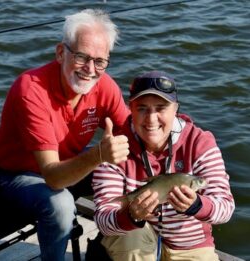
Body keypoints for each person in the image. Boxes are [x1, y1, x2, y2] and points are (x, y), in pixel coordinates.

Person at [0, 9, 130, 261]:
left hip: (66, 164)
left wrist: (170, 128)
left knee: (130, 164)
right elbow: (53, 178)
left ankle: (113, 244)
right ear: (61, 52)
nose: (90, 69)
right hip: (14, 177)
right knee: (61, 204)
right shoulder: (30, 89)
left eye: (100, 61)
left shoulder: (104, 84)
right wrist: (99, 154)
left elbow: (132, 131)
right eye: (81, 57)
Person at [92, 70, 235, 261]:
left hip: (190, 244)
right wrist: (132, 216)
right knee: (128, 238)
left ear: (175, 109)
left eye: (161, 108)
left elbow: (225, 208)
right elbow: (103, 221)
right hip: (137, 237)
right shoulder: (114, 147)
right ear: (130, 108)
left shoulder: (200, 142)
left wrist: (196, 205)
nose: (151, 119)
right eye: (142, 108)